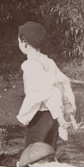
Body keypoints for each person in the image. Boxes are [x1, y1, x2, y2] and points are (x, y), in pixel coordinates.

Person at [16, 22, 77, 151]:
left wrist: (60, 118)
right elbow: (63, 84)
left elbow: (48, 92)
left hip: (40, 116)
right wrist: (67, 109)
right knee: (49, 149)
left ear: (24, 43)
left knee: (33, 152)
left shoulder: (30, 65)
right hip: (53, 115)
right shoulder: (50, 62)